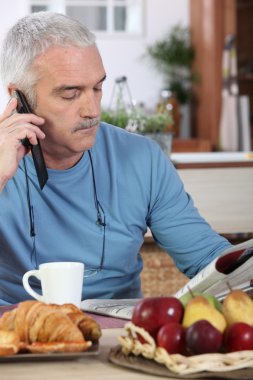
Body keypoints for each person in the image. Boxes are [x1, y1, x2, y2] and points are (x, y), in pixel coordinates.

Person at [0, 12, 231, 306]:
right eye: (70, 94)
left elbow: (208, 259)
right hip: (16, 338)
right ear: (20, 99)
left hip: (117, 338)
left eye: (97, 88)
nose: (92, 110)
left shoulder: (142, 158)